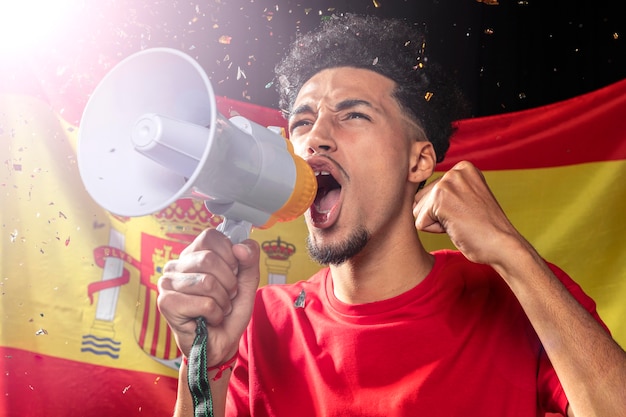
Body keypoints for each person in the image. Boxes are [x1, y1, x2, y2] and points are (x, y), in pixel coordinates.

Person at [157, 14, 626, 417]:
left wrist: (512, 252)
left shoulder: (516, 295)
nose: (314, 137)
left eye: (354, 115)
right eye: (301, 122)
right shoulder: (259, 325)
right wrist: (205, 368)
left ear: (419, 162)